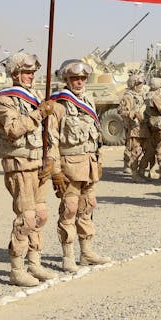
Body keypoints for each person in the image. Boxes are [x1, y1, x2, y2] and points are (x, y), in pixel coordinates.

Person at [0, 52, 57, 287]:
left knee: (41, 215)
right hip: (19, 163)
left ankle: (34, 262)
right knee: (27, 217)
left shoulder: (35, 96)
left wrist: (51, 158)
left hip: (37, 162)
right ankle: (17, 268)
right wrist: (39, 113)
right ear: (14, 74)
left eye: (32, 73)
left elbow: (47, 131)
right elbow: (13, 130)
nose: (30, 76)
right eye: (25, 72)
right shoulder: (5, 99)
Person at [47, 59, 111, 272]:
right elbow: (51, 140)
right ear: (66, 79)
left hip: (89, 164)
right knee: (69, 209)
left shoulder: (89, 100)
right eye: (75, 78)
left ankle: (87, 251)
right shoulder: (58, 104)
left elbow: (96, 133)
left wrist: (99, 160)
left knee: (87, 207)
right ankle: (68, 255)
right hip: (70, 166)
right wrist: (55, 171)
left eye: (82, 78)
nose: (79, 82)